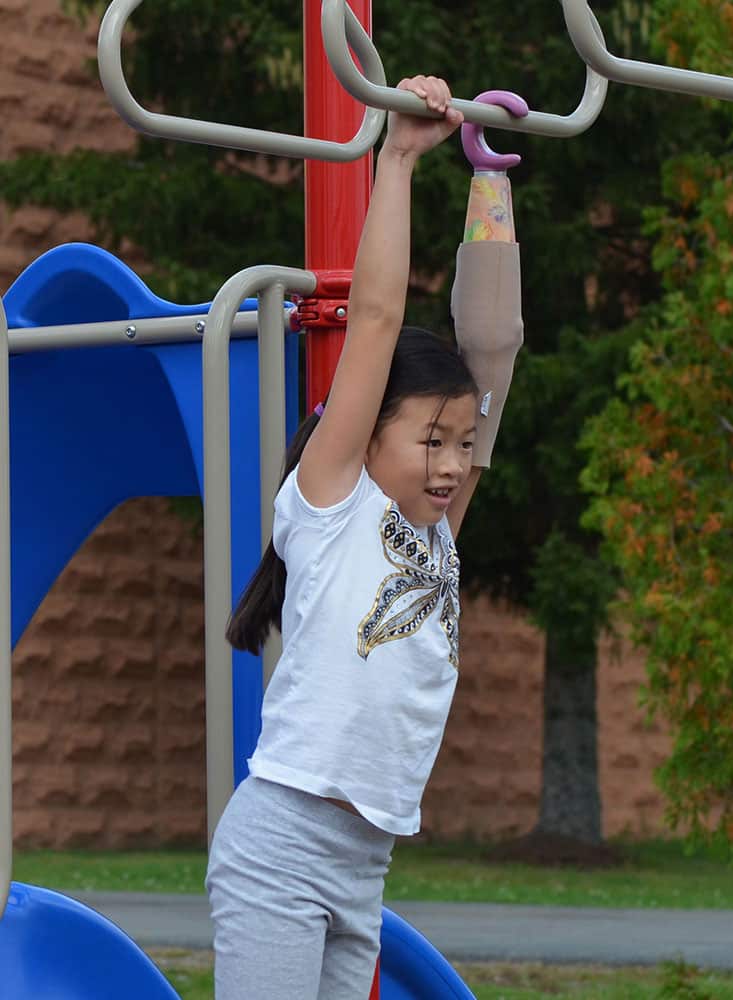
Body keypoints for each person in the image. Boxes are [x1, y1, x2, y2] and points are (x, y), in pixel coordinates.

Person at [206, 74, 524, 1000]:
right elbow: (378, 321)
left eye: (462, 446)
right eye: (430, 439)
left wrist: (491, 186)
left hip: (362, 868)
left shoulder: (438, 540)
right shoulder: (334, 506)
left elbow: (493, 352)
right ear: (367, 427)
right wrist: (397, 155)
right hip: (283, 851)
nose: (452, 464)